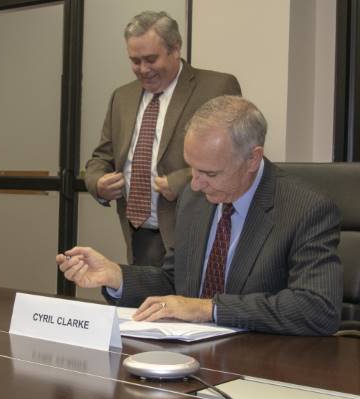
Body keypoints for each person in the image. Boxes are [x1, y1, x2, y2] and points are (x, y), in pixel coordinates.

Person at [59, 96, 343, 336]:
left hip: (263, 365)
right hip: (194, 356)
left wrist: (208, 308)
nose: (195, 184)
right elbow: (176, 282)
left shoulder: (305, 209)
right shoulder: (196, 199)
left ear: (252, 159)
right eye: (192, 169)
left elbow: (318, 307)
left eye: (209, 173)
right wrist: (117, 276)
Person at [85, 10, 241, 267]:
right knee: (141, 303)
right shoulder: (121, 97)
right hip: (138, 234)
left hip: (193, 231)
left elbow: (235, 155)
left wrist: (182, 180)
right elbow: (102, 156)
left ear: (175, 48)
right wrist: (98, 183)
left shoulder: (217, 87)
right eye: (135, 61)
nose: (143, 69)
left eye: (151, 59)